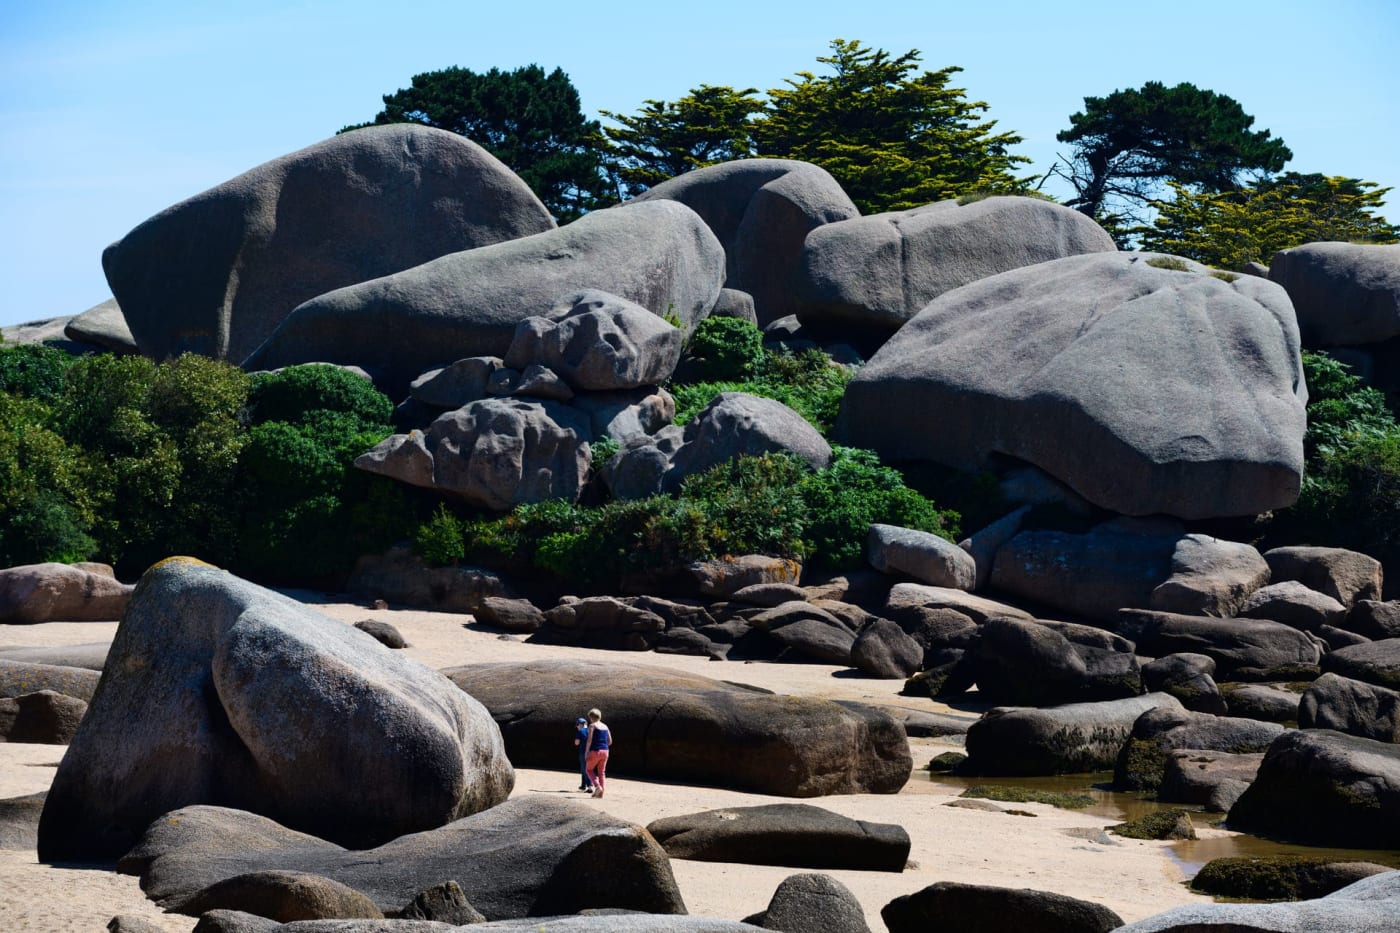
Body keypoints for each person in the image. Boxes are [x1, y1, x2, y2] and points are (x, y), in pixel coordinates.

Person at [583, 707, 611, 798]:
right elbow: (610, 741)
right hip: (605, 751)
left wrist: (587, 751)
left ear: (591, 717)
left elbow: (589, 740)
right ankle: (601, 793)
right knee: (601, 772)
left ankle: (597, 786)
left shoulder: (592, 725)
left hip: (595, 750)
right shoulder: (606, 726)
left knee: (589, 769)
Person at [573, 716, 592, 792]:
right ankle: (583, 785)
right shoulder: (590, 730)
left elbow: (577, 743)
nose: (577, 727)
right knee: (586, 768)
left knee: (584, 769)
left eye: (577, 725)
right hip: (591, 752)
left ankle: (589, 786)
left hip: (583, 752)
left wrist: (576, 741)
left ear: (580, 724)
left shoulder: (580, 731)